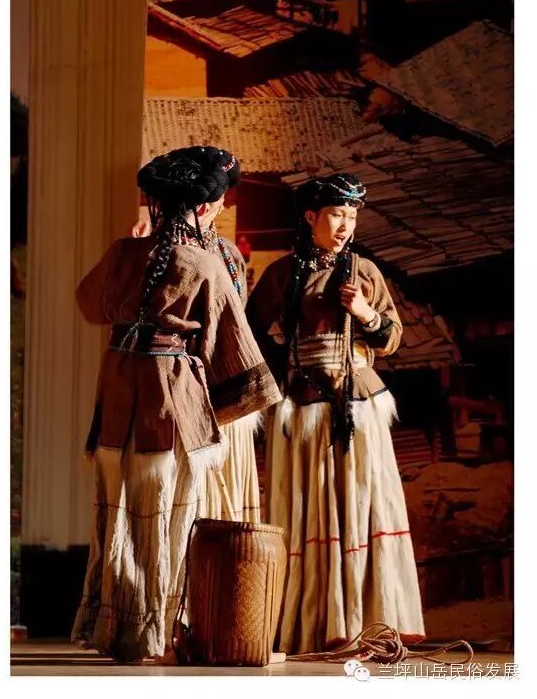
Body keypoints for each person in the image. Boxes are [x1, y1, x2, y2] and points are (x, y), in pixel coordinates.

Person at [71, 150, 281, 663]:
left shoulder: (123, 251)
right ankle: (156, 632)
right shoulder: (205, 263)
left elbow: (88, 302)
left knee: (118, 514)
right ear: (204, 207)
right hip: (170, 397)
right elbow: (233, 347)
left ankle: (113, 628)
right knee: (170, 513)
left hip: (118, 391)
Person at [246, 173, 425, 655]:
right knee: (311, 504)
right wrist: (286, 368)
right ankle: (312, 623)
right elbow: (251, 332)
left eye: (351, 216)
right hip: (306, 405)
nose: (345, 225)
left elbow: (391, 337)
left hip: (357, 404)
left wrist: (366, 313)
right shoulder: (282, 273)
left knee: (361, 502)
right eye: (335, 215)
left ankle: (367, 623)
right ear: (311, 217)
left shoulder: (365, 271)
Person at [132, 146, 261, 523]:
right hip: (179, 392)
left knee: (212, 513)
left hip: (213, 396)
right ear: (207, 207)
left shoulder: (226, 255)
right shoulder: (153, 251)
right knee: (178, 507)